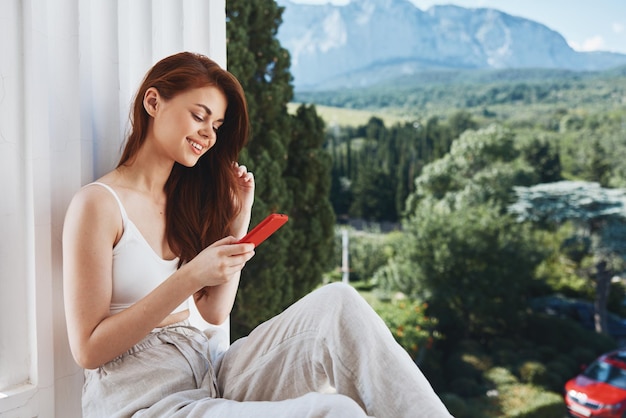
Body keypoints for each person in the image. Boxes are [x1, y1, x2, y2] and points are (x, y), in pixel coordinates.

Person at [62, 51, 453, 418]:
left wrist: (239, 218)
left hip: (207, 373)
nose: (208, 134)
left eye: (215, 125)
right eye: (199, 116)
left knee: (338, 302)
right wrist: (191, 275)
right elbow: (88, 349)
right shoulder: (99, 204)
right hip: (144, 400)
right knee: (337, 413)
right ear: (153, 102)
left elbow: (214, 312)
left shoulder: (183, 200)